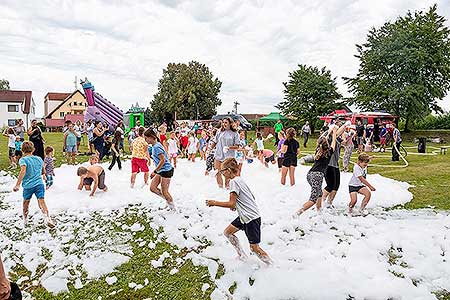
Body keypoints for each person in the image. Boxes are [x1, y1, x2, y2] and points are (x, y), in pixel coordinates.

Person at [206, 158, 272, 265]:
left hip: (251, 218)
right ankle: (241, 255)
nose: (222, 174)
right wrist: (237, 205)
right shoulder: (239, 179)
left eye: (222, 171)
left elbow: (231, 203)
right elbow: (251, 197)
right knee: (228, 232)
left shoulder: (233, 182)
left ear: (228, 170)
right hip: (245, 216)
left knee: (254, 248)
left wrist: (214, 203)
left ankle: (272, 265)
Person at [12, 141, 55, 227]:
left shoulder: (23, 160)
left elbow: (23, 171)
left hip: (28, 186)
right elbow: (43, 171)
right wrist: (43, 175)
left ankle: (25, 219)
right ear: (33, 149)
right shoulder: (39, 159)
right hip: (39, 184)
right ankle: (48, 218)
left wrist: (17, 185)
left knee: (26, 203)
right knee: (41, 201)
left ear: (22, 150)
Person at [297, 127, 337, 215]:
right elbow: (334, 141)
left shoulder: (318, 150)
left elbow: (323, 141)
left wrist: (329, 132)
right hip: (317, 176)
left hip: (310, 174)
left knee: (320, 193)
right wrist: (334, 132)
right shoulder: (329, 152)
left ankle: (319, 212)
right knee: (313, 199)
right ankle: (297, 213)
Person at [144, 129, 175, 210]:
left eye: (146, 138)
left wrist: (155, 171)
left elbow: (163, 160)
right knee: (152, 188)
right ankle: (167, 200)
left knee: (165, 191)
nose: (145, 140)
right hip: (161, 170)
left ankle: (173, 208)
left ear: (151, 137)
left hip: (166, 170)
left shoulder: (157, 147)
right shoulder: (155, 145)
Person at [323, 122, 350, 208]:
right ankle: (320, 201)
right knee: (330, 185)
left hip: (335, 165)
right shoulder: (328, 136)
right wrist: (343, 126)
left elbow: (345, 142)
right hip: (328, 164)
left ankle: (329, 203)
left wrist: (349, 134)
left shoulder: (337, 138)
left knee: (336, 186)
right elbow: (336, 133)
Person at [213, 117, 240, 188]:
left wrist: (229, 147)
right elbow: (215, 141)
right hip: (218, 154)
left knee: (227, 175)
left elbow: (237, 146)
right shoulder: (219, 131)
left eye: (226, 122)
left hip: (229, 157)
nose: (224, 124)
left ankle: (227, 190)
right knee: (217, 172)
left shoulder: (235, 133)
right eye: (223, 122)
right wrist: (209, 149)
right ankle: (220, 189)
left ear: (230, 124)